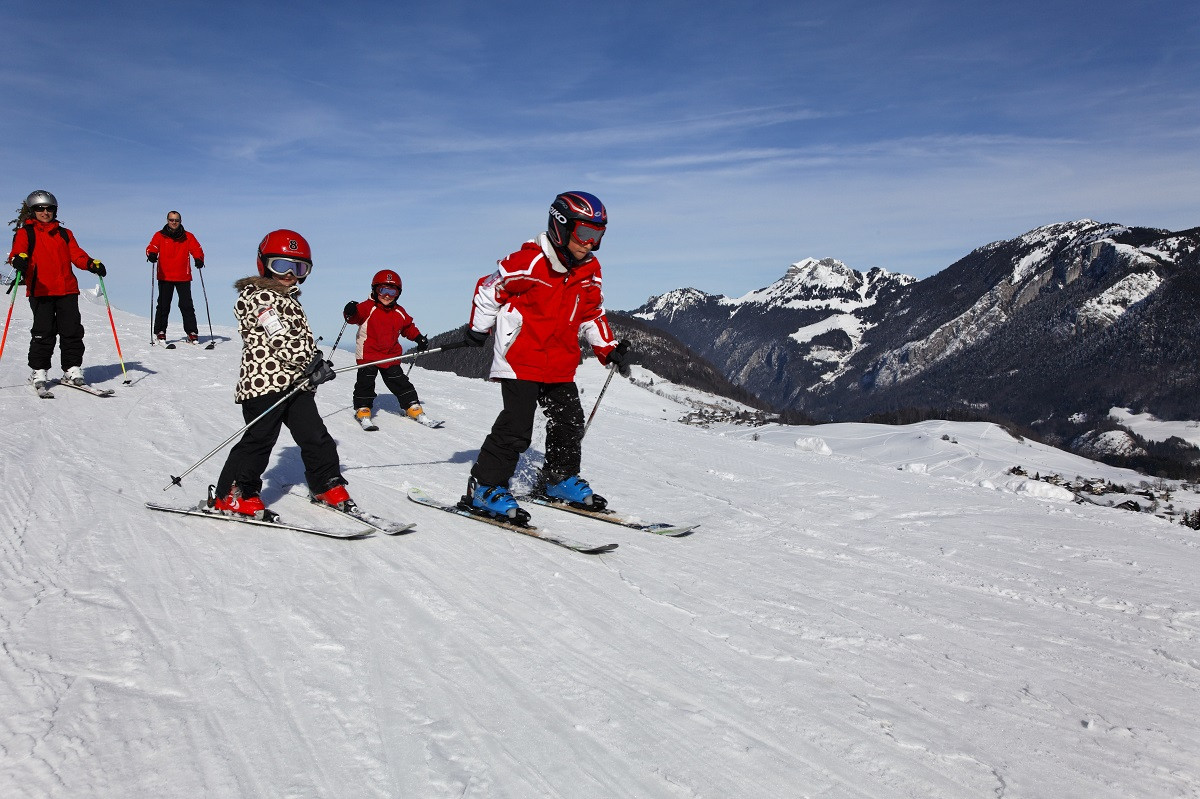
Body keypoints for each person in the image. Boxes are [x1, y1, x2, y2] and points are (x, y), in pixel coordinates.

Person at [461, 191, 631, 522]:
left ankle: (559, 479)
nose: (590, 245)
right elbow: (489, 289)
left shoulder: (590, 269)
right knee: (516, 427)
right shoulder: (529, 262)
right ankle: (485, 487)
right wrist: (478, 328)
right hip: (520, 356)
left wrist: (607, 348)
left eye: (598, 237)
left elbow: (592, 313)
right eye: (584, 234)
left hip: (559, 361)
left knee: (569, 421)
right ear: (561, 227)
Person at [209, 229, 356, 520]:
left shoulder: (289, 298)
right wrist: (310, 362)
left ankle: (326, 483)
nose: (289, 274)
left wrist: (313, 361)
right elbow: (279, 338)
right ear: (263, 264)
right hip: (264, 384)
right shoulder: (260, 297)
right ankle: (233, 494)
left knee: (315, 435)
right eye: (281, 265)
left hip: (295, 384)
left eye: (299, 268)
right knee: (260, 439)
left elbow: (297, 339)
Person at [5, 190, 107, 388]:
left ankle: (71, 368)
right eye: (40, 209)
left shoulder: (64, 233)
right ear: (33, 211)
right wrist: (18, 259)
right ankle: (39, 370)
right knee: (43, 332)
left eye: (49, 208)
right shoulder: (26, 232)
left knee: (72, 331)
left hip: (67, 289)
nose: (45, 212)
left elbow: (76, 254)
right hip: (40, 290)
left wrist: (90, 263)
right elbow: (18, 252)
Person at [342, 269, 432, 429]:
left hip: (389, 356)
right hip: (368, 354)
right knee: (365, 383)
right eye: (382, 290)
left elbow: (407, 327)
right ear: (375, 290)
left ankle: (412, 406)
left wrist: (418, 338)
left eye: (392, 290)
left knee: (400, 382)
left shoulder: (399, 311)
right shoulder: (367, 307)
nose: (387, 295)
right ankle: (362, 409)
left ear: (398, 293)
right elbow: (354, 317)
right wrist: (350, 311)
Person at [146, 210, 205, 344]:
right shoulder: (160, 235)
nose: (174, 222)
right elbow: (151, 247)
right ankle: (160, 331)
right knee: (163, 305)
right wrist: (152, 254)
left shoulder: (187, 236)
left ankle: (192, 332)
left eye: (176, 220)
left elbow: (197, 249)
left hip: (183, 276)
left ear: (180, 221)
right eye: (171, 220)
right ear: (167, 221)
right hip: (165, 276)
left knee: (186, 305)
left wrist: (199, 258)